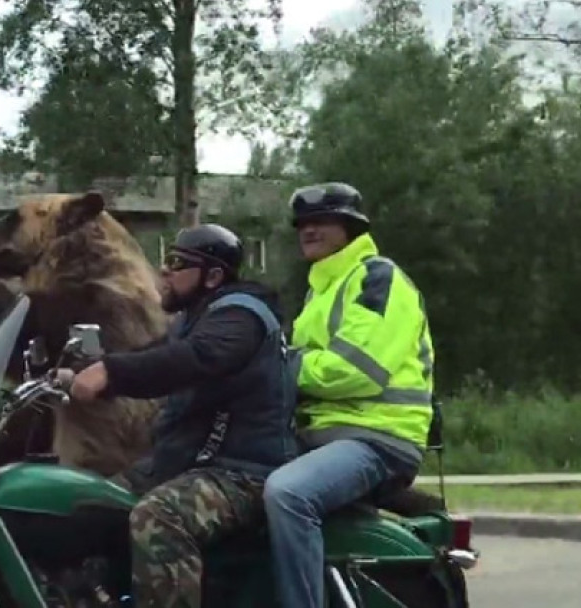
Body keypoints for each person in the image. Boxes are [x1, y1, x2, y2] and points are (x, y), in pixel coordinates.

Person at [63, 223, 298, 608]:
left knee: (160, 517)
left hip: (241, 472)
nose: (164, 271)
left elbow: (198, 359)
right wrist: (81, 376)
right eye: (165, 261)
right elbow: (153, 362)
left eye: (177, 263)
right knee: (88, 501)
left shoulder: (242, 315)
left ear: (214, 276)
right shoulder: (194, 319)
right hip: (190, 463)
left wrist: (112, 373)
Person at [262, 182, 435, 608]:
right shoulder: (319, 292)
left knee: (289, 494)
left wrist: (280, 369)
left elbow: (358, 369)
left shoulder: (377, 278)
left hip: (374, 438)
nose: (308, 229)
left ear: (352, 228)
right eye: (302, 223)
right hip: (324, 437)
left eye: (322, 220)